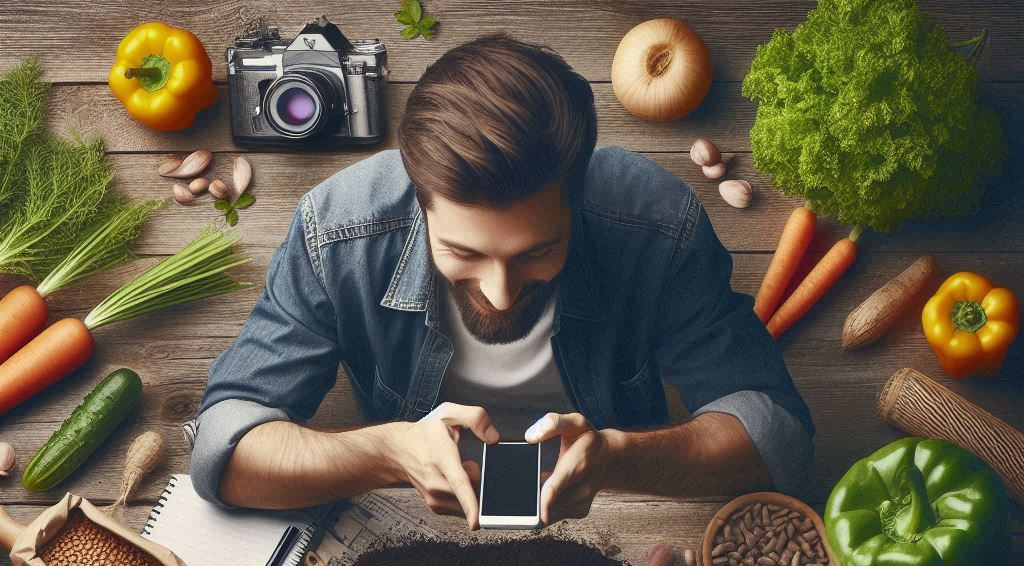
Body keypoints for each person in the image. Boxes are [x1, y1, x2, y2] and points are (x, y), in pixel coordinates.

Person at [191, 34, 813, 528]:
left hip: (622, 513)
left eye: (537, 252)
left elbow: (777, 436)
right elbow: (224, 449)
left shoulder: (654, 221)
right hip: (412, 520)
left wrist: (618, 458)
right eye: (462, 252)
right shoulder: (339, 228)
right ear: (418, 199)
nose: (500, 292)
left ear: (580, 197)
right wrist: (389, 452)